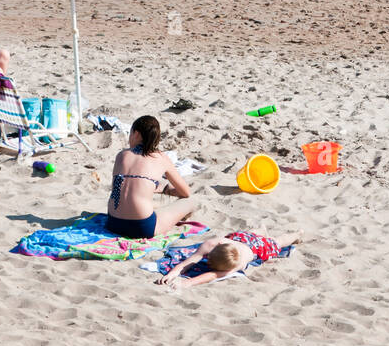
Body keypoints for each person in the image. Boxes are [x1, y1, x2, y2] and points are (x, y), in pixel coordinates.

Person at [105, 115, 195, 239]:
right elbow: (186, 193)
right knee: (191, 201)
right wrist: (167, 190)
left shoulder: (121, 155)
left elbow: (121, 186)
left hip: (113, 223)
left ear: (136, 134)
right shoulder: (161, 158)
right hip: (142, 227)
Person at [155, 229, 303, 288]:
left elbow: (212, 275)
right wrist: (172, 273)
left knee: (277, 242)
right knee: (253, 233)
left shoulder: (237, 264)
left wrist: (188, 282)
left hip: (257, 248)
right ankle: (261, 229)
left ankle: (296, 234)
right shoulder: (212, 243)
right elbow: (190, 261)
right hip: (241, 238)